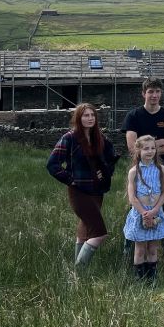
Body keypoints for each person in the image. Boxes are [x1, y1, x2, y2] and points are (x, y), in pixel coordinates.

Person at [47, 103, 118, 267]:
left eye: (92, 115)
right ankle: (79, 269)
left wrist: (105, 173)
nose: (90, 118)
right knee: (99, 234)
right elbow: (52, 164)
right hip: (79, 191)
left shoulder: (100, 138)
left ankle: (78, 275)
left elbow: (111, 159)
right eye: (86, 115)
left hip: (97, 191)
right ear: (78, 118)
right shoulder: (70, 138)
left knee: (85, 229)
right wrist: (70, 180)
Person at [122, 78, 164, 241]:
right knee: (135, 210)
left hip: (162, 170)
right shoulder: (133, 116)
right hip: (139, 170)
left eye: (157, 91)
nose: (154, 95)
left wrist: (147, 146)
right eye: (150, 91)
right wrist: (159, 142)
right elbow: (132, 148)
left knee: (163, 210)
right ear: (143, 94)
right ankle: (132, 249)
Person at [123, 135, 164, 281]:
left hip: (156, 212)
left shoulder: (161, 169)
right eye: (146, 148)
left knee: (153, 248)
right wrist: (144, 213)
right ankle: (139, 280)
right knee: (140, 249)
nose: (150, 151)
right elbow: (132, 197)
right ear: (138, 151)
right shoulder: (134, 171)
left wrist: (154, 211)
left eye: (153, 148)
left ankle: (152, 279)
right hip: (139, 214)